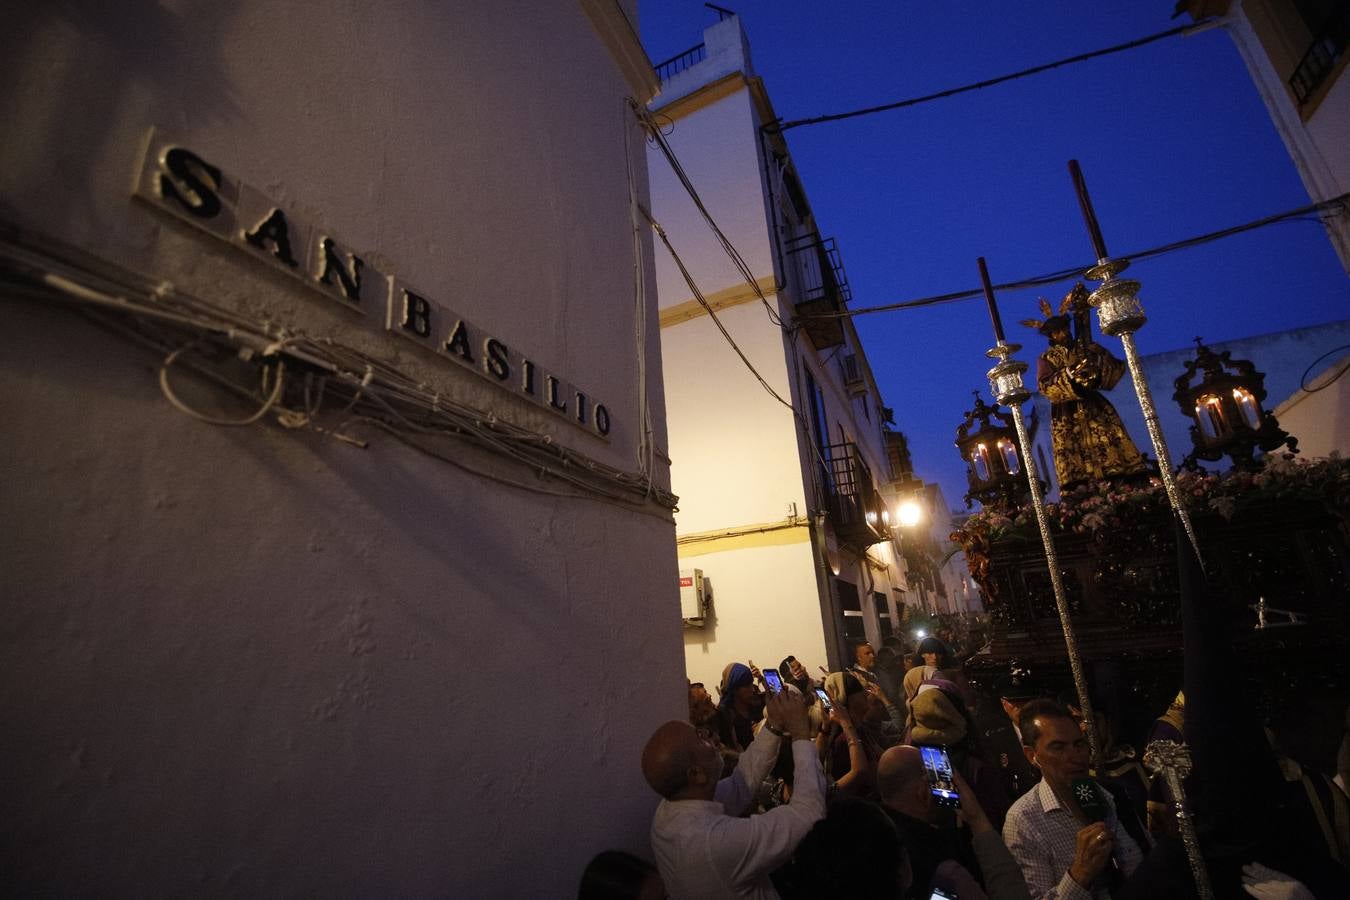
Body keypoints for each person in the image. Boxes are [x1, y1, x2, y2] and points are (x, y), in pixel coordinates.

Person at [642, 690, 825, 899]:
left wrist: (773, 725)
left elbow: (741, 783)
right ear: (696, 774)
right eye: (700, 737)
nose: (711, 736)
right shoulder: (712, 843)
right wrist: (801, 733)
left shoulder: (670, 809)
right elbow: (808, 815)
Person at [1002, 700, 1143, 900]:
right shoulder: (1023, 821)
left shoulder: (1112, 795)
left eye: (1079, 744)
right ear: (1032, 755)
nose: (1075, 756)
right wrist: (1080, 873)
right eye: (1058, 747)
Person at [1020, 284, 1147, 487]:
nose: (1062, 334)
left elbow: (1113, 371)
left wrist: (1096, 366)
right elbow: (1045, 387)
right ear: (1051, 336)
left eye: (1064, 329)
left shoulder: (1087, 347)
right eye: (1057, 332)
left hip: (1094, 405)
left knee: (1109, 445)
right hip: (1066, 413)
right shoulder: (1047, 358)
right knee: (1075, 456)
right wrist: (1071, 374)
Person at [877, 745, 1032, 900]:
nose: (950, 789)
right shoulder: (945, 872)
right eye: (937, 780)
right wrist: (977, 819)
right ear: (923, 794)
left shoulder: (872, 834)